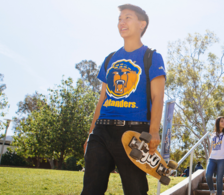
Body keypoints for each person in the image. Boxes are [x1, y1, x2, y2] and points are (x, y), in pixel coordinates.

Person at [81, 4, 166, 195]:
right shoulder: (110, 58)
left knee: (135, 190)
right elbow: (102, 98)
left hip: (134, 134)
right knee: (90, 190)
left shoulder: (152, 57)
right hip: (101, 131)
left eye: (127, 18)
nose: (121, 23)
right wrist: (91, 133)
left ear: (142, 24)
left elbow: (158, 97)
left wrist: (153, 131)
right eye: (120, 19)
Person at [206, 117, 224, 195]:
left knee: (219, 179)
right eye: (222, 121)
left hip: (222, 159)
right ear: (217, 123)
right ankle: (212, 191)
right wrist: (208, 157)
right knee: (208, 175)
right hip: (212, 158)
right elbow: (211, 147)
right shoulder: (213, 134)